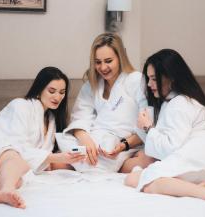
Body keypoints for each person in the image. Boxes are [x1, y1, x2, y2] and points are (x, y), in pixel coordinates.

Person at [124, 49, 205, 217]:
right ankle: (200, 188)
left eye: (153, 79)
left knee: (140, 179)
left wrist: (148, 128)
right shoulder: (174, 102)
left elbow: (168, 148)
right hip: (201, 161)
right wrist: (145, 126)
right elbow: (158, 144)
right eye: (148, 79)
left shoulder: (179, 104)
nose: (150, 85)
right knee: (137, 178)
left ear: (171, 79)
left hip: (201, 160)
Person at [0, 67, 85, 210]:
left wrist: (73, 160)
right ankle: (7, 190)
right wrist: (53, 158)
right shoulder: (20, 105)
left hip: (8, 162)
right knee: (16, 162)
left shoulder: (51, 122)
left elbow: (39, 160)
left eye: (62, 92)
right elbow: (18, 147)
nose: (57, 97)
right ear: (40, 89)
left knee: (13, 178)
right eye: (52, 91)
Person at [56, 33, 154, 173]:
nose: (103, 67)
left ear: (120, 58)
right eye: (97, 62)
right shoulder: (91, 85)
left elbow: (148, 124)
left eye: (108, 61)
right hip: (94, 141)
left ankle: (93, 166)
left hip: (126, 145)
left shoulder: (135, 80)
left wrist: (123, 145)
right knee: (65, 152)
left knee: (147, 160)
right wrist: (86, 140)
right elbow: (79, 118)